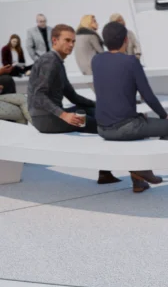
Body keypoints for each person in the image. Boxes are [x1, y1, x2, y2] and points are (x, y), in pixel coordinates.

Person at [92, 21, 168, 193]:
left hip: (102, 128)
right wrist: (164, 116)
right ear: (126, 40)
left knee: (142, 122)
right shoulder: (131, 62)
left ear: (104, 40)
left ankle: (139, 181)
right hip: (125, 127)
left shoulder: (96, 60)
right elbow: (147, 95)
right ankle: (144, 168)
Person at [27, 24, 117, 185]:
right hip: (47, 119)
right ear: (54, 40)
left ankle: (106, 172)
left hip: (49, 116)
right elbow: (39, 95)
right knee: (103, 125)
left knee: (93, 111)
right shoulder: (50, 62)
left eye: (73, 41)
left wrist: (100, 105)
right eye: (67, 40)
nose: (71, 45)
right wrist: (64, 115)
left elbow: (72, 95)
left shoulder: (57, 62)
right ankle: (106, 172)